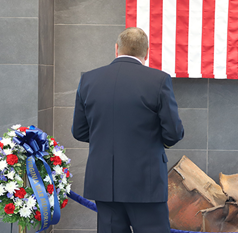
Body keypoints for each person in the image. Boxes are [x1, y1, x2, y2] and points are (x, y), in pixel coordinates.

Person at [71, 27, 184, 233]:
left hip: (104, 181)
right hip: (145, 181)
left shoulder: (88, 80)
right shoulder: (158, 80)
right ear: (147, 52)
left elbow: (79, 131)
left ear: (116, 49)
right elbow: (174, 133)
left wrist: (106, 140)